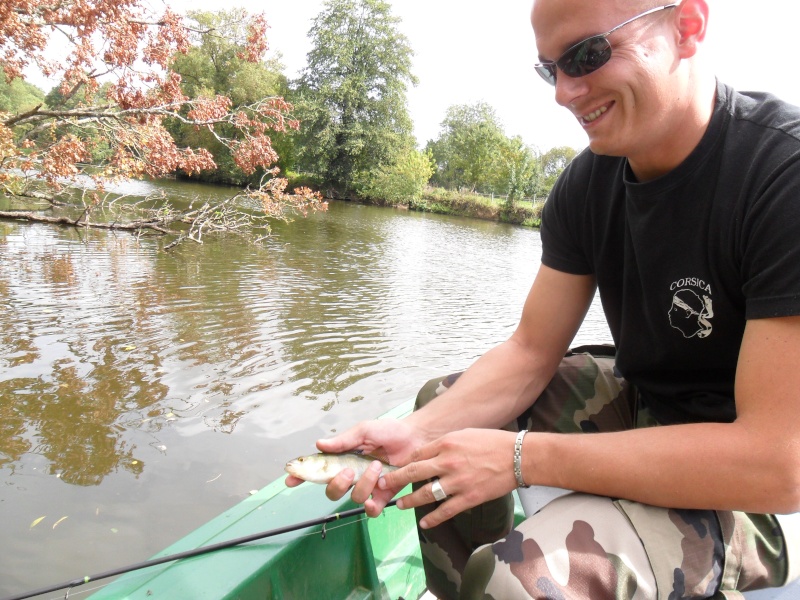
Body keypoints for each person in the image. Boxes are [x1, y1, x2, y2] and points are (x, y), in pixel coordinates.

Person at [286, 0, 800, 597]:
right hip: (647, 407)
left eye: (586, 54)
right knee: (444, 408)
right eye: (548, 69)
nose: (563, 91)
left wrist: (519, 460)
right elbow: (531, 351)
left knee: (522, 577)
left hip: (750, 496)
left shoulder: (781, 177)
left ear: (687, 26)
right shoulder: (588, 182)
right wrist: (421, 432)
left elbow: (777, 462)